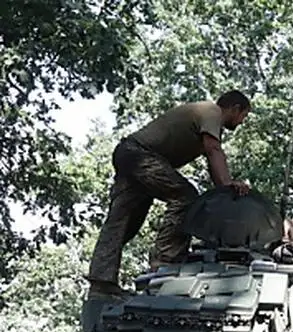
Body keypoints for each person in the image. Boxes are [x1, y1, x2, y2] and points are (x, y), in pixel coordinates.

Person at [85, 90, 253, 297]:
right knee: (186, 197)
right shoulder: (212, 112)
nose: (242, 121)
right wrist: (228, 185)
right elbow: (213, 150)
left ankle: (100, 283)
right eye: (244, 115)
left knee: (122, 222)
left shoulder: (206, 116)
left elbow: (212, 163)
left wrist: (223, 189)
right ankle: (165, 263)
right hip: (141, 155)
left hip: (128, 153)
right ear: (235, 108)